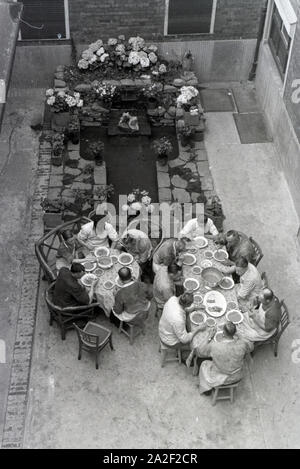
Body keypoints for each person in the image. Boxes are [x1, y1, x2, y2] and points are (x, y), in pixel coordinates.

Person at [199, 322, 251, 395]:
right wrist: (240, 336)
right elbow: (250, 347)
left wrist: (209, 337)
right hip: (237, 375)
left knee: (204, 364)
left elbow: (201, 351)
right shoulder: (242, 344)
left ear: (223, 333)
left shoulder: (215, 346)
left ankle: (207, 389)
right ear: (235, 333)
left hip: (221, 376)